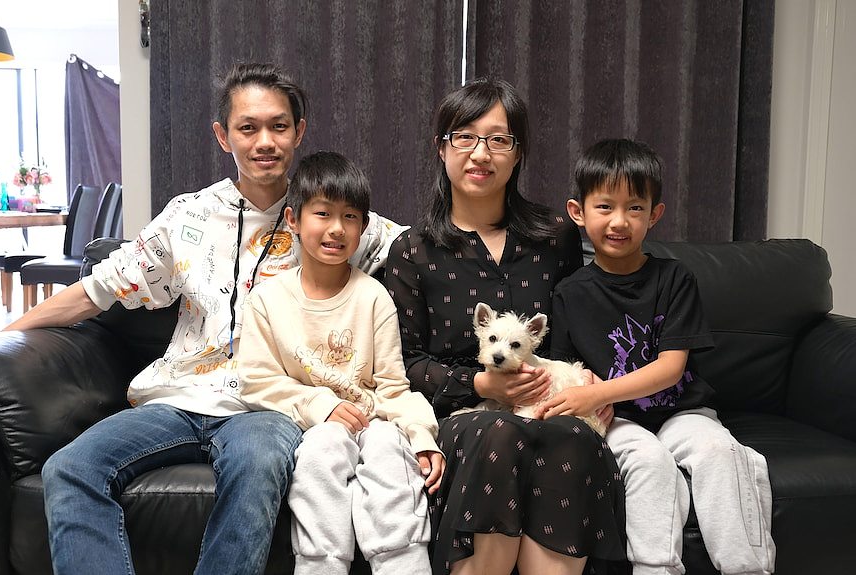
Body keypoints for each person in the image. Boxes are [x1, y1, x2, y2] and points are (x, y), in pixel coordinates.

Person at [3, 63, 405, 574]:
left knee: (258, 466)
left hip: (267, 409)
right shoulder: (187, 215)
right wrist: (5, 335)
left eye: (279, 126)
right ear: (223, 136)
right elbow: (95, 291)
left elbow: (426, 250)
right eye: (248, 127)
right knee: (71, 467)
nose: (265, 141)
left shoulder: (329, 216)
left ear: (299, 132)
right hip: (178, 396)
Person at [385, 78, 627, 575]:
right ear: (442, 148)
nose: (480, 153)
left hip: (549, 405)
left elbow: (575, 330)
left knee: (572, 436)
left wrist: (592, 387)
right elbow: (405, 363)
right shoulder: (413, 250)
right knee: (498, 429)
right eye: (465, 137)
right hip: (467, 415)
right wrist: (479, 382)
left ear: (517, 154)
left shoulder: (555, 237)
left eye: (498, 139)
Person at [547, 138, 776, 575]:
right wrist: (587, 399)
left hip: (683, 411)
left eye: (634, 208)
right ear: (578, 212)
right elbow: (568, 372)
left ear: (655, 214)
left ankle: (749, 567)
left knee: (720, 452)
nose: (619, 221)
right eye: (605, 207)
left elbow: (671, 370)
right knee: (649, 463)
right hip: (616, 420)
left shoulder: (674, 278)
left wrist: (596, 394)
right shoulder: (569, 293)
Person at [237, 150, 444, 575]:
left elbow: (392, 387)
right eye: (323, 213)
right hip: (313, 427)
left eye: (350, 217)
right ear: (293, 219)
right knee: (323, 447)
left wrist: (422, 435)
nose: (336, 229)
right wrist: (321, 406)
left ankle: (403, 564)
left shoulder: (373, 296)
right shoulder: (267, 301)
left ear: (364, 227)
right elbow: (257, 381)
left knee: (390, 446)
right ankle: (321, 566)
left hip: (373, 421)